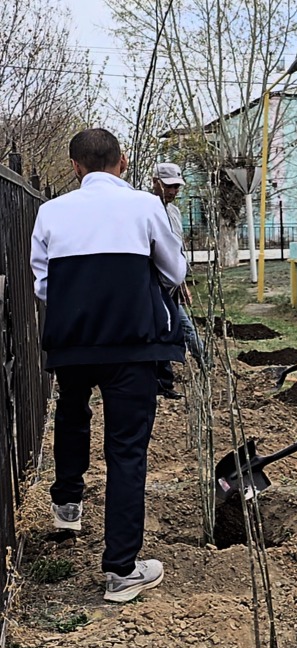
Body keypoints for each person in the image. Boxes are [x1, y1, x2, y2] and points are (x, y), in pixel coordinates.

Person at [31, 128, 186, 603]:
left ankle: (67, 504)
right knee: (126, 452)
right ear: (121, 162)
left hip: (73, 344)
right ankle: (121, 569)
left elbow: (43, 286)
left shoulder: (50, 212)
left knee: (72, 416)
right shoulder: (145, 205)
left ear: (75, 167)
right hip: (132, 346)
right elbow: (174, 272)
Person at [151, 162, 205, 376]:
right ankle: (164, 378)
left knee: (182, 327)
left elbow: (177, 250)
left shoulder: (174, 212)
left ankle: (205, 367)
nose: (173, 191)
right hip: (154, 285)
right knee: (171, 329)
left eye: (176, 187)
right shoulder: (146, 209)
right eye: (168, 186)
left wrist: (182, 283)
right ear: (155, 182)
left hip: (172, 286)